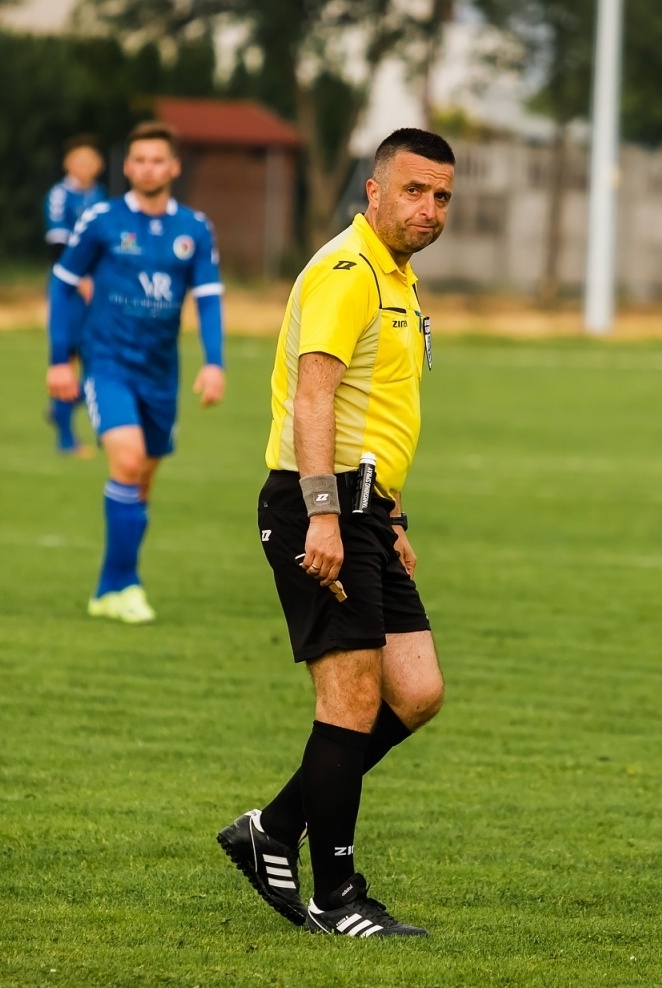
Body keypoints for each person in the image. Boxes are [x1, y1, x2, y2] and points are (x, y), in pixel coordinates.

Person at [217, 128, 454, 938]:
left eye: (443, 196)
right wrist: (324, 511)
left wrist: (392, 515)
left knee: (415, 690)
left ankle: (275, 826)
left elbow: (375, 413)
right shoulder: (347, 272)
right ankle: (337, 894)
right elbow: (312, 403)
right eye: (415, 191)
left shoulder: (400, 282)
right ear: (374, 191)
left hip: (368, 512)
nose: (430, 209)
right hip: (315, 505)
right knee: (349, 698)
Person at [47, 122, 226, 624]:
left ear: (173, 168)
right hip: (107, 363)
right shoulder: (101, 220)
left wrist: (214, 363)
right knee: (126, 463)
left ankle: (110, 585)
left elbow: (209, 299)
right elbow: (62, 283)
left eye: (157, 160)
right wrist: (61, 357)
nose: (148, 168)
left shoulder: (194, 228)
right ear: (127, 167)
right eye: (139, 160)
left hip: (161, 373)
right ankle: (128, 584)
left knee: (142, 482)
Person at [43, 134, 107, 457]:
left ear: (99, 166)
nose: (84, 166)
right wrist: (80, 277)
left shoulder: (99, 196)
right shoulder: (59, 195)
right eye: (78, 160)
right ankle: (66, 440)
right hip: (68, 289)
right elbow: (56, 244)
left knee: (96, 359)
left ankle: (61, 407)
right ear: (68, 164)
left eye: (90, 160)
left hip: (95, 292)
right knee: (65, 357)